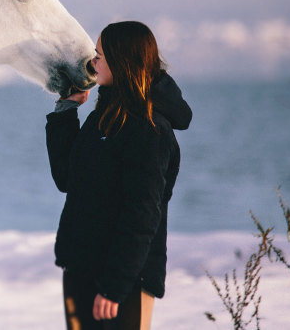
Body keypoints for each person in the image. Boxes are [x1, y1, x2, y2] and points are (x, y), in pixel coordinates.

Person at [46, 21, 192, 330]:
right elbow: (68, 180)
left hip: (123, 282)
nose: (92, 63)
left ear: (122, 60)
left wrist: (114, 287)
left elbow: (141, 216)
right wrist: (66, 111)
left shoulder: (150, 129)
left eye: (99, 55)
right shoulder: (104, 116)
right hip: (81, 269)